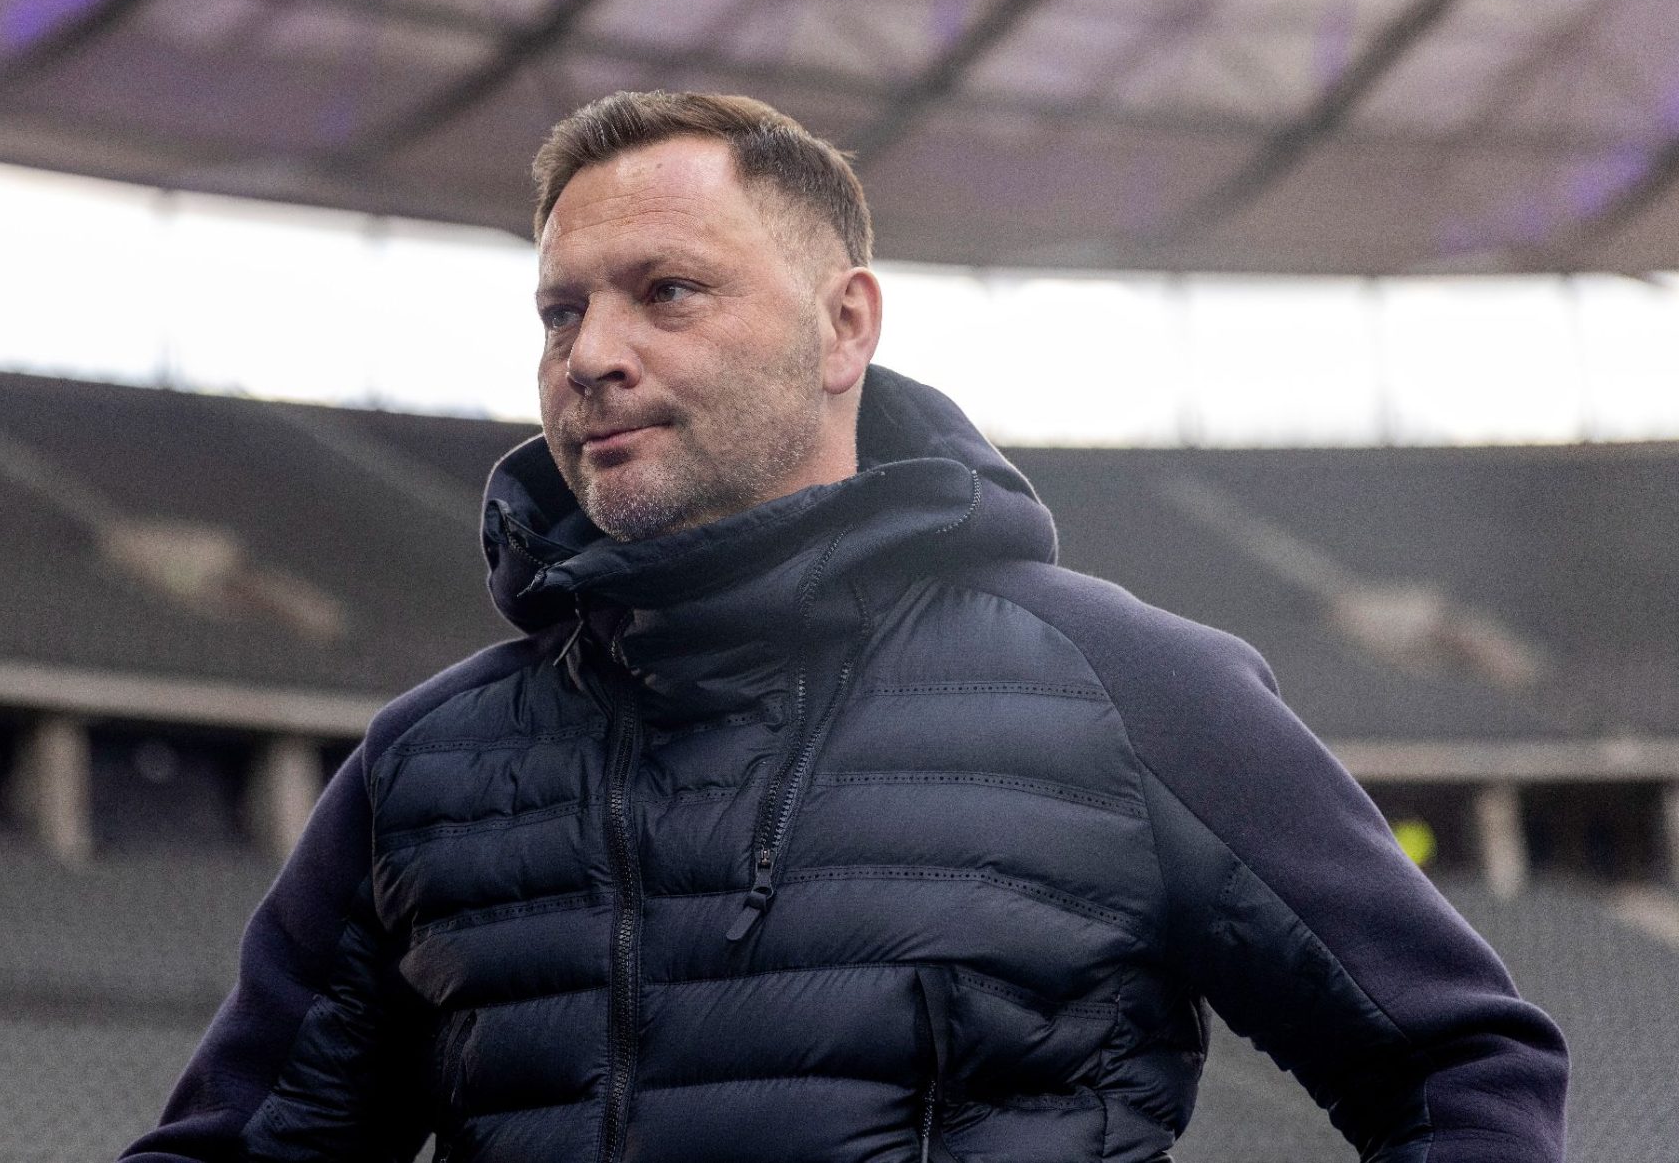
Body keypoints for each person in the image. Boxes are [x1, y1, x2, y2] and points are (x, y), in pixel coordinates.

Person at [125, 91, 1568, 1163]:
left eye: (667, 292)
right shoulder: (421, 768)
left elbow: (1461, 1067)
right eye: (561, 312)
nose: (593, 355)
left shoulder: (1125, 685)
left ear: (845, 327)